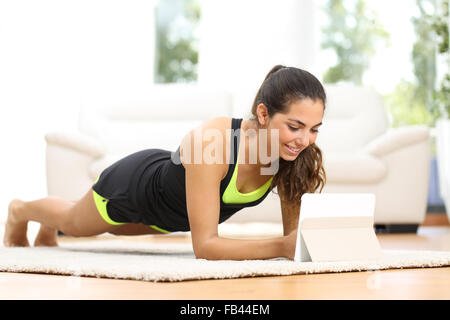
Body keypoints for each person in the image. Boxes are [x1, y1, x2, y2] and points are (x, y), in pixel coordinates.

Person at [4, 65, 326, 260]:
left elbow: (294, 239)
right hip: (135, 187)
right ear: (263, 114)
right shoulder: (213, 142)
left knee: (101, 227)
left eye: (314, 129)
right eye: (295, 127)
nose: (305, 140)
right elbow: (207, 247)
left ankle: (51, 220)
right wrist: (280, 247)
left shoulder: (293, 155)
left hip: (168, 216)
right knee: (77, 224)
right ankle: (21, 210)